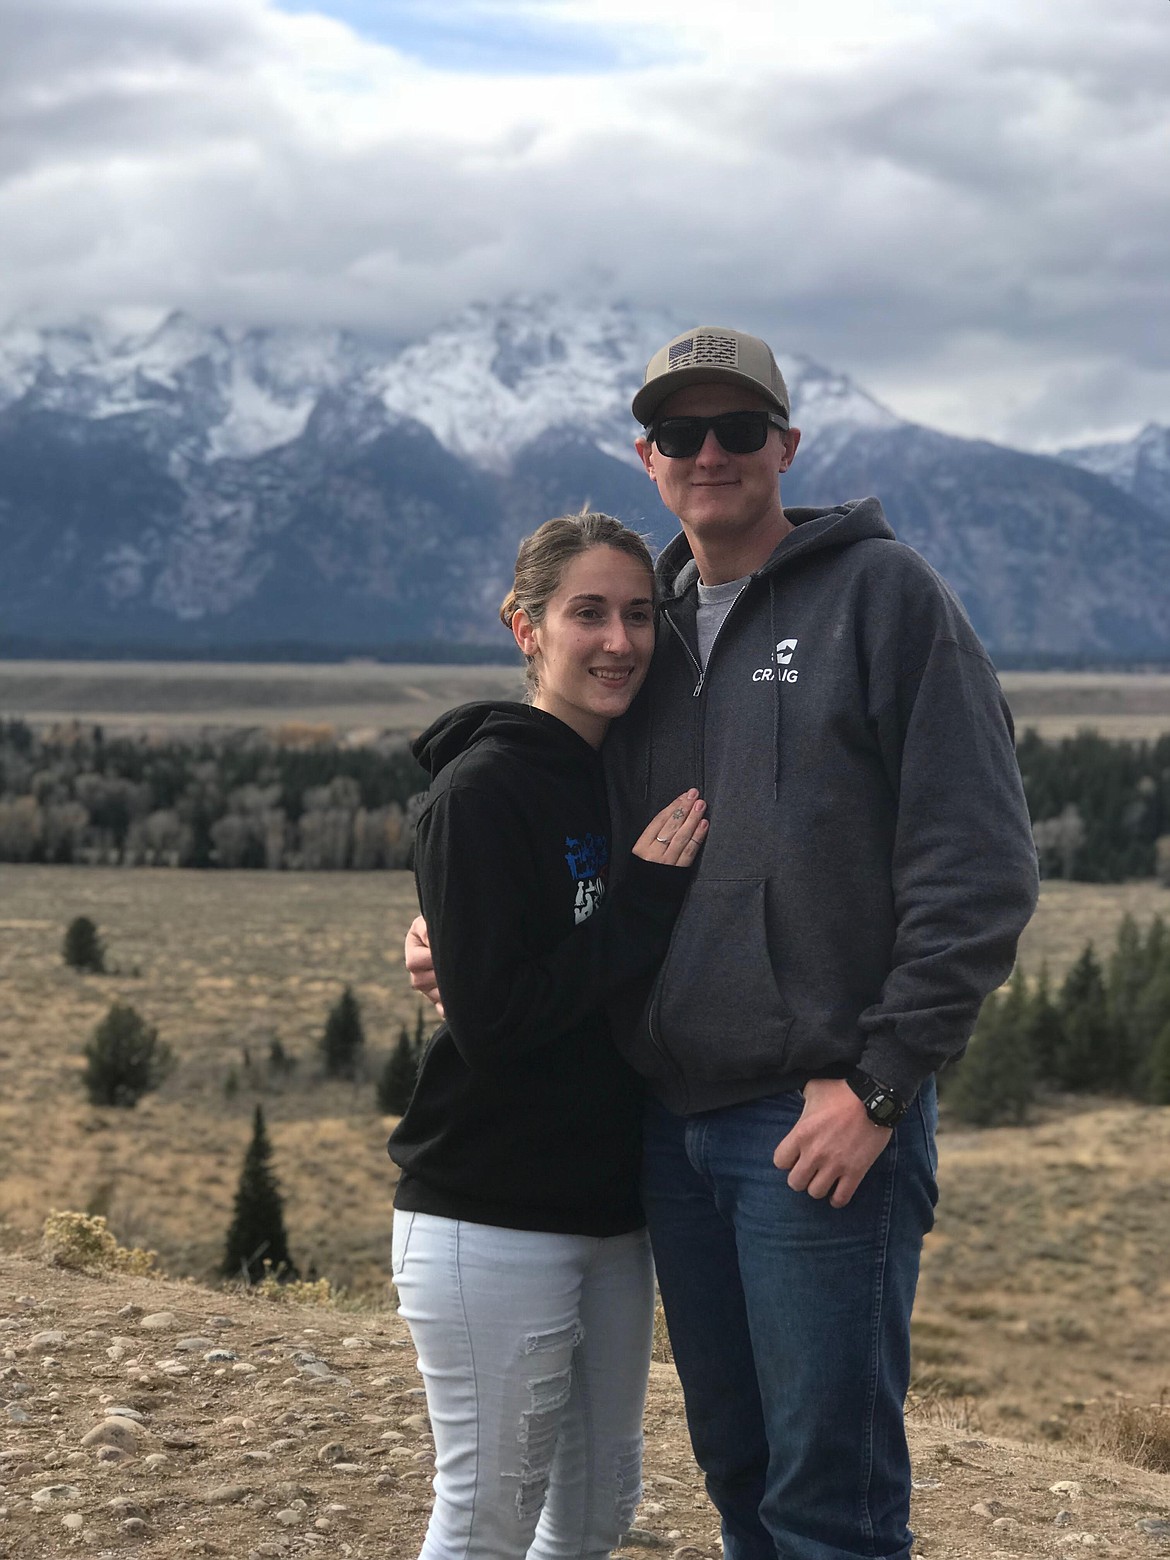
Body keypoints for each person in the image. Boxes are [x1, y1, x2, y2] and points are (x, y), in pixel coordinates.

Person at [408, 327, 1040, 1560]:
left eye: (739, 429)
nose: (712, 453)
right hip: (665, 1128)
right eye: (682, 432)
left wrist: (880, 1081)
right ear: (647, 456)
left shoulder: (885, 598)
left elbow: (980, 867)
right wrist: (463, 928)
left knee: (829, 1495)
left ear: (785, 447)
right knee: (739, 1472)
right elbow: (564, 826)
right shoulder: (640, 632)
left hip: (815, 1125)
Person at [388, 510, 708, 1560]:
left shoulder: (624, 777)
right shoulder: (482, 791)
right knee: (487, 1513)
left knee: (597, 1508)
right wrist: (641, 904)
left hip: (611, 1210)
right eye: (588, 615)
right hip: (491, 1209)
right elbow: (499, 1024)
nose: (619, 640)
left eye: (638, 615)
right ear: (524, 629)